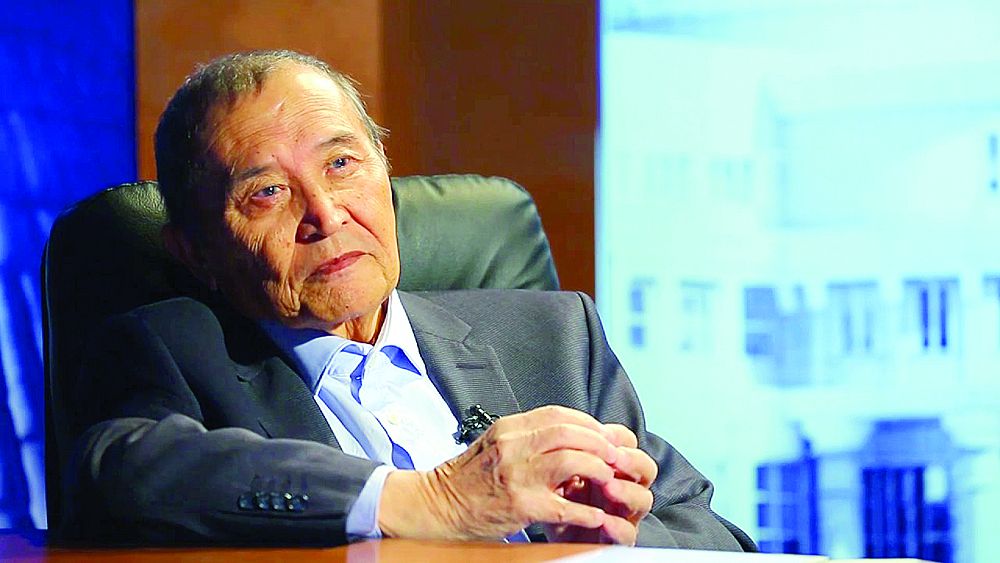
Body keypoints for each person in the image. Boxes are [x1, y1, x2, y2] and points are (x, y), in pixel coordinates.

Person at [65, 49, 753, 550]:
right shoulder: (170, 348)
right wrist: (425, 499)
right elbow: (121, 471)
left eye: (341, 164)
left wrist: (607, 540)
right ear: (195, 251)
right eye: (268, 191)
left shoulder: (552, 336)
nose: (325, 213)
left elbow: (709, 530)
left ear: (385, 175)